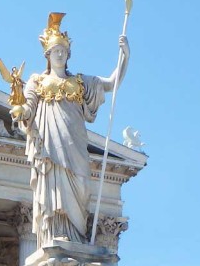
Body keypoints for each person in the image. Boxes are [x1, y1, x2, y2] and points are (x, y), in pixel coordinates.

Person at [10, 12, 129, 248]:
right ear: (48, 55)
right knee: (54, 192)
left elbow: (112, 83)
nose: (61, 55)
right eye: (56, 51)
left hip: (75, 147)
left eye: (64, 51)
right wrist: (20, 110)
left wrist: (124, 57)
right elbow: (28, 108)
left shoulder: (81, 81)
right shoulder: (37, 81)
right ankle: (56, 235)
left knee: (81, 188)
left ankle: (75, 238)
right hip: (50, 148)